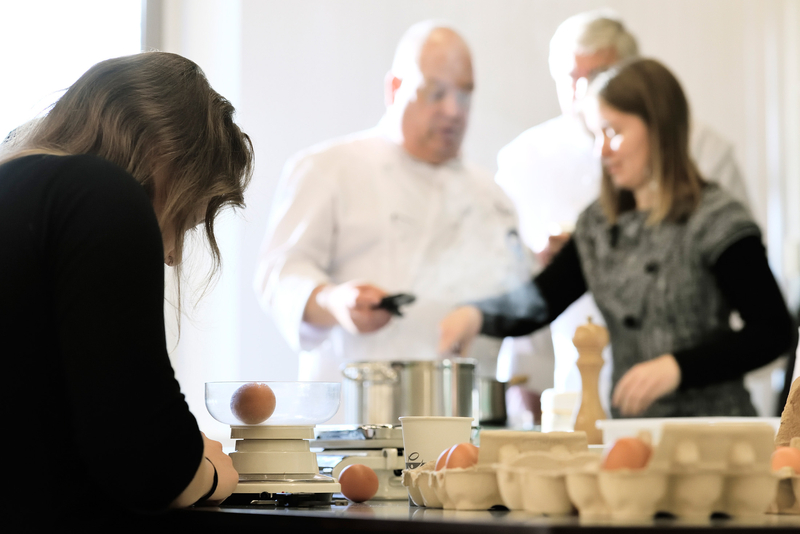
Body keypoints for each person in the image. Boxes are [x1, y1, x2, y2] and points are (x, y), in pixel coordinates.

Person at [438, 58, 795, 419]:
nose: (601, 151)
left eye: (614, 133)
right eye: (597, 135)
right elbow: (542, 300)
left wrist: (678, 368)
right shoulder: (599, 226)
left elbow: (772, 332)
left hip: (713, 433)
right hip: (629, 432)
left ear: (660, 129)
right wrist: (477, 315)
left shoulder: (715, 218)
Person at [254, 20, 554, 422]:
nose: (453, 110)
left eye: (464, 94)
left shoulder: (491, 196)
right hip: (355, 421)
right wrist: (333, 301)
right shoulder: (331, 168)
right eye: (435, 92)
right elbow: (278, 274)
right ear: (394, 88)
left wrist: (533, 397)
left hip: (463, 423)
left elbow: (518, 304)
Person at [0, 52, 254, 524]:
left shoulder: (15, 189)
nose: (172, 253)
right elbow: (148, 463)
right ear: (167, 154)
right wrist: (212, 472)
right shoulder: (98, 193)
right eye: (186, 218)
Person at [494, 10, 752, 409]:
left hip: (699, 391)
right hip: (578, 374)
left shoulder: (705, 155)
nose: (583, 94)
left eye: (596, 76)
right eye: (571, 79)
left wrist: (680, 365)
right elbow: (525, 293)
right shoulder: (526, 161)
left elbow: (756, 311)